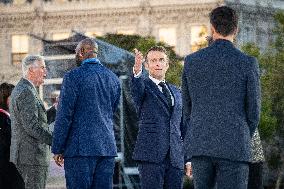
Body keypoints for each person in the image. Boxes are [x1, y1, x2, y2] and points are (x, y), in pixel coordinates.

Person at [182, 6, 261, 189]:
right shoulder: (248, 63)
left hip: (200, 144)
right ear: (236, 29)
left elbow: (187, 109)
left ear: (212, 28)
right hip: (235, 145)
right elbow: (254, 112)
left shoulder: (191, 62)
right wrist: (239, 133)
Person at [52, 38, 121, 189]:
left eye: (76, 53)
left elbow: (64, 115)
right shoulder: (113, 78)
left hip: (79, 151)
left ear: (82, 52)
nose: (76, 56)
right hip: (106, 149)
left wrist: (57, 148)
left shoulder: (72, 77)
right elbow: (111, 111)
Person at [131, 46, 185, 189]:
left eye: (161, 60)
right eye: (153, 60)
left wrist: (188, 158)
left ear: (167, 65)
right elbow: (136, 90)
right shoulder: (143, 87)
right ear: (147, 66)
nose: (157, 63)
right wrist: (137, 72)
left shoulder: (177, 91)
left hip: (175, 158)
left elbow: (183, 125)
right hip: (151, 157)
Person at [9, 55, 53, 189]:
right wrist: (57, 142)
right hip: (30, 159)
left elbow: (39, 120)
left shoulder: (27, 89)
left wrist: (56, 109)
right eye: (42, 68)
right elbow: (32, 127)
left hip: (30, 158)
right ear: (31, 70)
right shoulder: (26, 91)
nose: (45, 72)